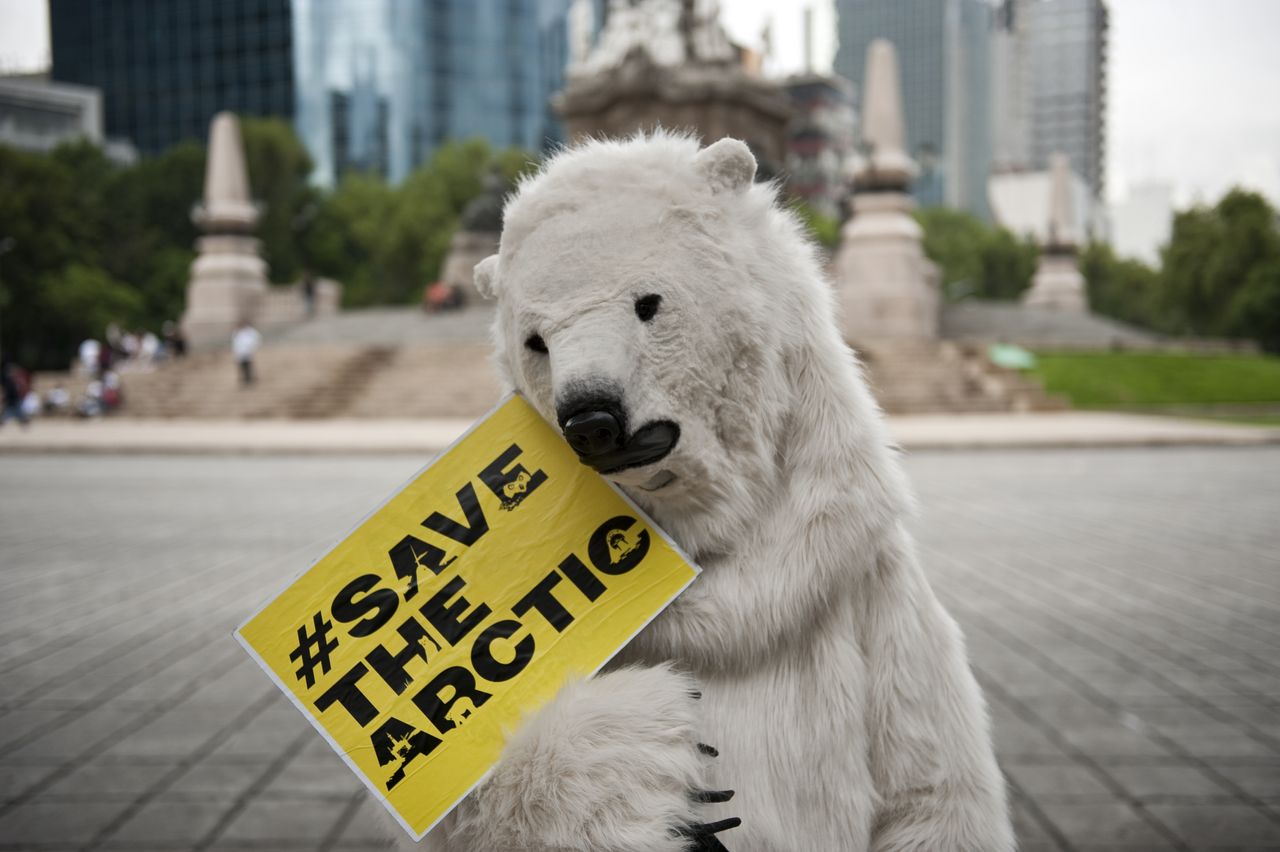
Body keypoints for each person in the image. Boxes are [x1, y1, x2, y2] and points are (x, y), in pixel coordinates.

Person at [1, 356, 30, 428]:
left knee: (16, 411)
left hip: (14, 397)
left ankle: (24, 422)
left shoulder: (11, 378)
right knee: (11, 412)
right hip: (11, 397)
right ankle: (24, 422)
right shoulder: (7, 378)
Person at [232, 321, 261, 386]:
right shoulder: (237, 332)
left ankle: (250, 380)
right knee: (242, 367)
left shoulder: (250, 332)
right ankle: (244, 380)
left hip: (247, 351)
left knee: (248, 366)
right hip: (240, 352)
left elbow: (256, 340)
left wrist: (253, 347)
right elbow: (235, 343)